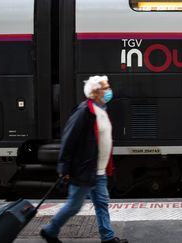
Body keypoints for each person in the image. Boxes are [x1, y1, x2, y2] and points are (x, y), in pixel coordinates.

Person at [40, 75, 128, 243]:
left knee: (102, 204)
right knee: (74, 206)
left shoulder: (102, 110)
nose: (109, 91)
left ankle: (108, 238)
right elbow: (69, 139)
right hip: (84, 170)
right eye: (105, 88)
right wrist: (63, 168)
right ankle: (50, 231)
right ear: (96, 92)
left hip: (99, 170)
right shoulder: (84, 111)